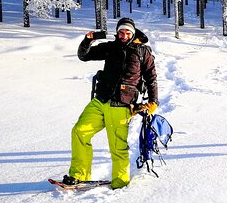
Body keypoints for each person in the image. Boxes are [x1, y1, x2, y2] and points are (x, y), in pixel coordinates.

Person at [63, 17, 158, 188]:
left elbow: (151, 78)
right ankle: (79, 175)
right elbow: (83, 56)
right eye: (120, 32)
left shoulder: (142, 52)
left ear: (133, 33)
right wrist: (88, 40)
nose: (123, 35)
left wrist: (153, 102)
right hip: (100, 100)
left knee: (117, 148)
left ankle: (120, 183)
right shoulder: (110, 47)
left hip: (121, 105)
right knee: (79, 131)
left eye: (127, 32)